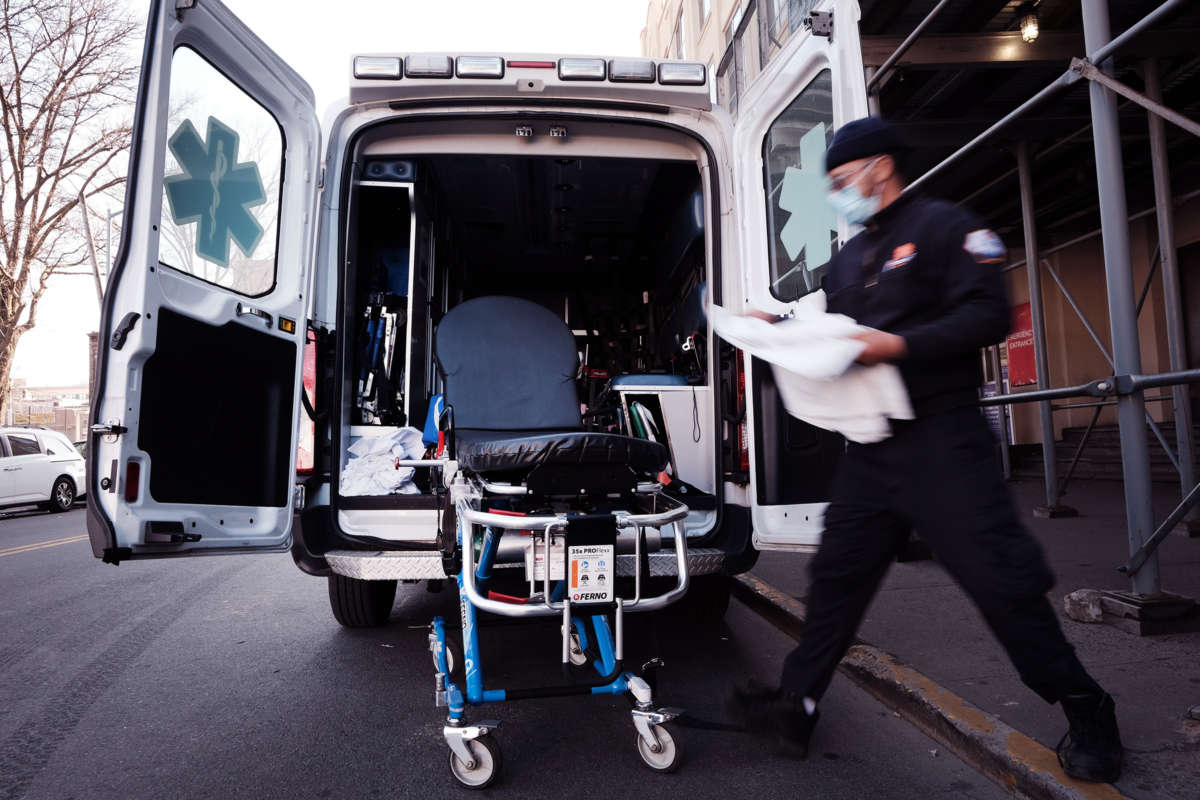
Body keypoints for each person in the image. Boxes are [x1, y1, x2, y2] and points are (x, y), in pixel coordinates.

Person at [728, 116, 1124, 783]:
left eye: (840, 179)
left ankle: (1087, 707)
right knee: (835, 580)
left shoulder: (945, 227)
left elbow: (987, 314)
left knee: (1001, 583)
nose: (836, 193)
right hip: (872, 445)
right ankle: (796, 706)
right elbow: (833, 325)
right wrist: (781, 323)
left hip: (946, 441)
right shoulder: (849, 258)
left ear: (879, 167)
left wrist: (901, 345)